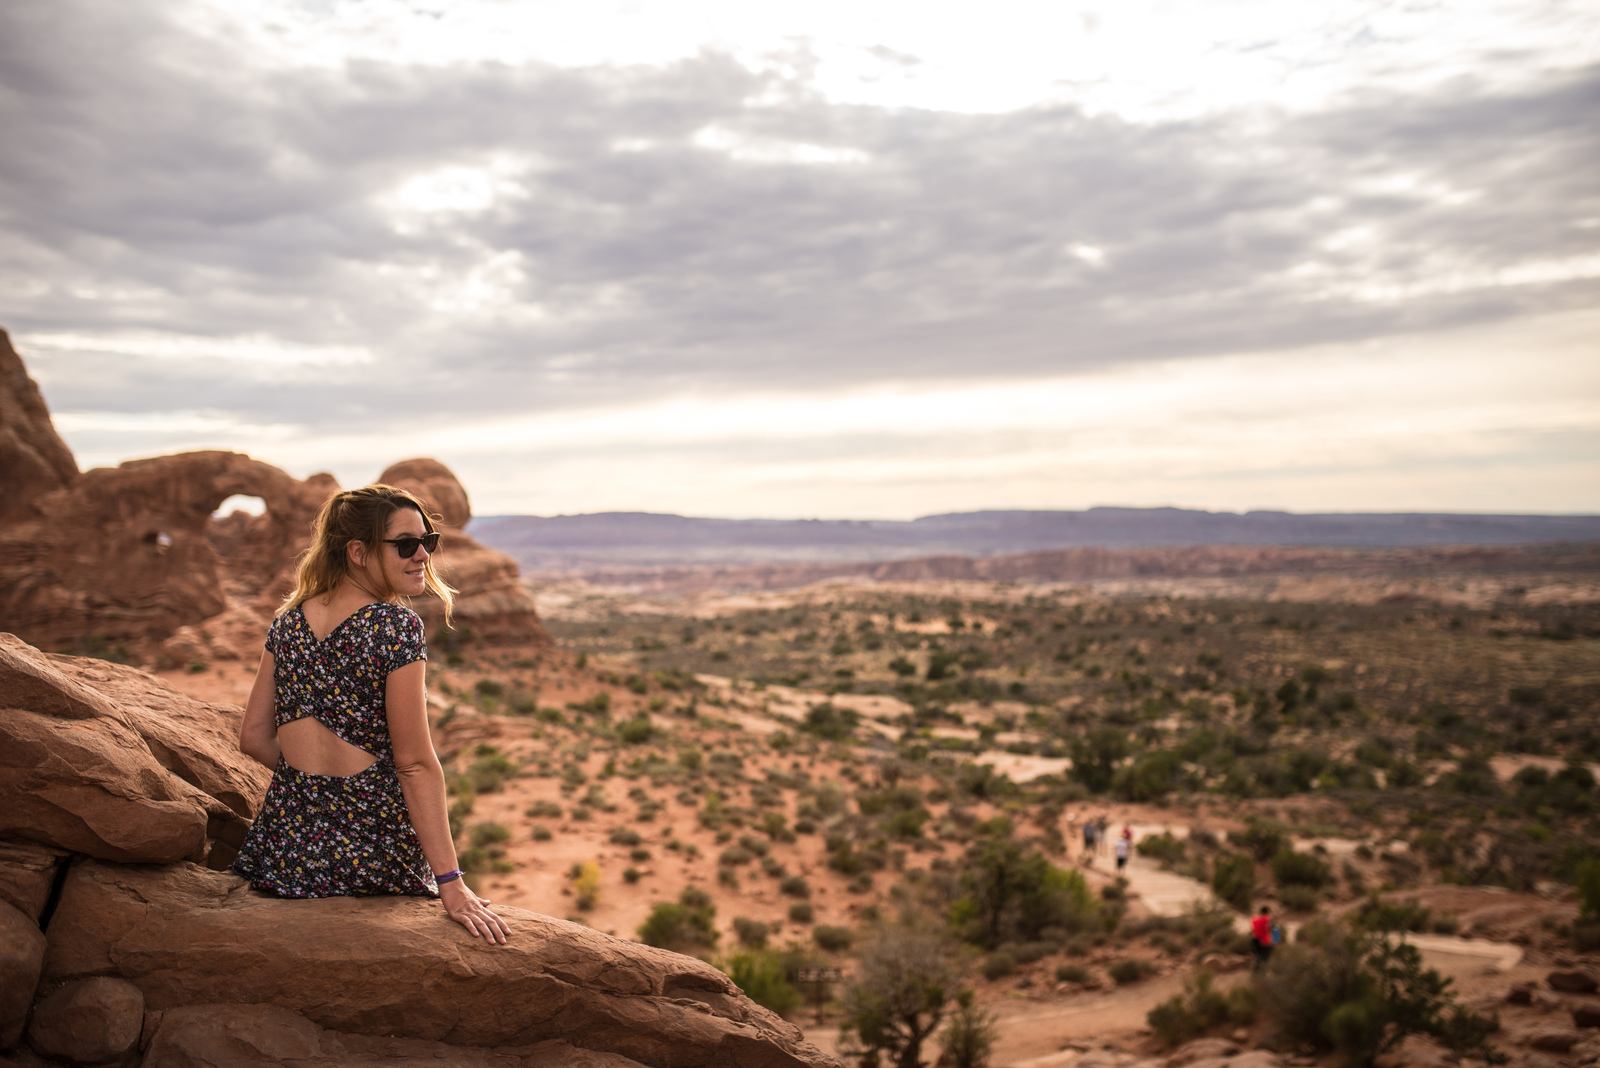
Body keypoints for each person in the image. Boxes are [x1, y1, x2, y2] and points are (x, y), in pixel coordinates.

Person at [232, 484, 510, 944]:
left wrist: (311, 796)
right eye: (405, 544)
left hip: (285, 853)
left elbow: (254, 738)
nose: (423, 554)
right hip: (371, 858)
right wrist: (452, 884)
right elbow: (415, 764)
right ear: (358, 552)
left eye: (428, 541)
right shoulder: (394, 628)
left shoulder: (287, 623)